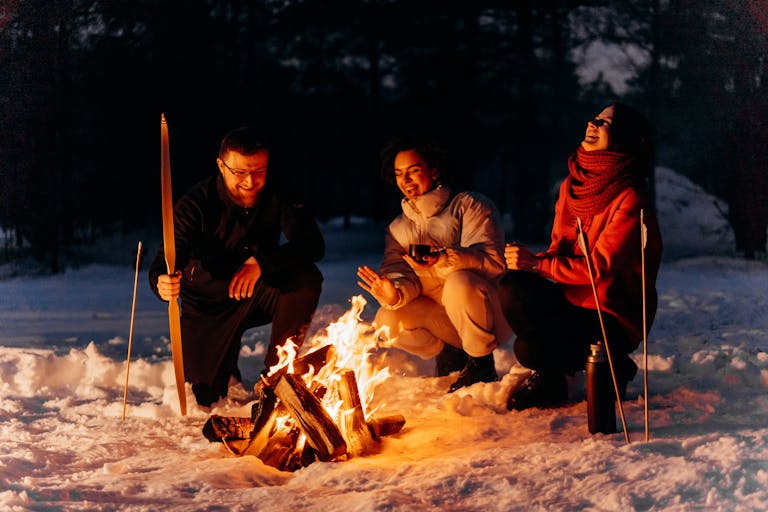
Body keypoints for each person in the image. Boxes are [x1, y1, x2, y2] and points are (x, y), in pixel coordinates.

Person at [499, 102, 662, 411]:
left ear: (623, 136)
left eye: (606, 123)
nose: (593, 123)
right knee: (511, 286)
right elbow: (558, 246)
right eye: (595, 118)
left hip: (609, 315)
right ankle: (552, 380)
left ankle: (614, 364)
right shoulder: (572, 186)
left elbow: (598, 268)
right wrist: (528, 262)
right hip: (570, 298)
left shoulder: (630, 198)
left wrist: (537, 264)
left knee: (528, 348)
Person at [149, 126, 325, 409]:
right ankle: (224, 362)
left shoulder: (280, 192)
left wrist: (261, 263)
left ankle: (277, 376)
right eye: (240, 172)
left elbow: (313, 245)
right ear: (221, 165)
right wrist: (161, 281)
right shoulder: (195, 203)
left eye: (258, 171)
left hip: (258, 292)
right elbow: (166, 258)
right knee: (205, 397)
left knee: (306, 280)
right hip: (208, 305)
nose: (250, 181)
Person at [357, 136, 512, 392]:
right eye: (399, 174)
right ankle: (449, 352)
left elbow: (493, 263)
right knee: (388, 316)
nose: (405, 181)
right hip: (444, 321)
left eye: (413, 171)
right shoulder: (398, 229)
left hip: (489, 314)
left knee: (458, 282)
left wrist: (445, 259)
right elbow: (400, 272)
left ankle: (481, 363)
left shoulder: (469, 206)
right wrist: (395, 292)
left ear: (435, 170)